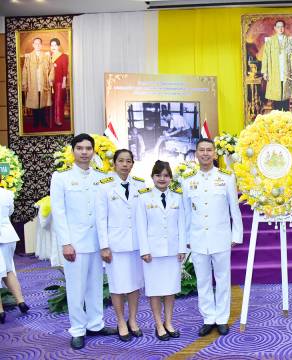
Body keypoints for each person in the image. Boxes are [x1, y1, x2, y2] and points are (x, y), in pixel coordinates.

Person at [50, 133, 117, 350]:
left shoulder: (101, 177)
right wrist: (66, 242)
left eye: (89, 148)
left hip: (97, 242)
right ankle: (78, 329)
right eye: (80, 148)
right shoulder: (61, 178)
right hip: (75, 244)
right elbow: (59, 213)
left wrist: (107, 242)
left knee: (96, 285)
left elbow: (105, 211)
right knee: (76, 287)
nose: (85, 152)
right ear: (73, 151)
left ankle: (95, 324)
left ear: (94, 151)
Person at [182, 139, 243, 337]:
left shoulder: (226, 177)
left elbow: (235, 208)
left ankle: (222, 319)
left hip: (221, 237)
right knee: (203, 281)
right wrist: (186, 239)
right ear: (196, 154)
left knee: (223, 279)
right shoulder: (188, 179)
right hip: (198, 238)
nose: (206, 154)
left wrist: (237, 234)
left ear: (215, 154)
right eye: (202, 150)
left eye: (209, 150)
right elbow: (186, 213)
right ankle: (209, 318)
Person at [96, 149, 145, 342]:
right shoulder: (104, 186)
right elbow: (101, 219)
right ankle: (120, 321)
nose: (125, 164)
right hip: (115, 246)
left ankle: (132, 320)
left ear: (133, 164)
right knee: (117, 286)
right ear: (114, 164)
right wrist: (104, 246)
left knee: (134, 284)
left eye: (129, 161)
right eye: (121, 161)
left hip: (136, 245)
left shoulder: (140, 185)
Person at [136, 160, 186, 341]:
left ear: (171, 178)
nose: (162, 179)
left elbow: (182, 225)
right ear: (152, 177)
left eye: (165, 175)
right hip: (152, 254)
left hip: (173, 252)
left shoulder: (177, 197)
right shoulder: (143, 197)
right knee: (155, 290)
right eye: (158, 175)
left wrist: (182, 248)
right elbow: (141, 226)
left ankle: (169, 322)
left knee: (170, 289)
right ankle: (159, 324)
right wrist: (144, 250)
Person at [0, 182, 30, 324]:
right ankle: (21, 302)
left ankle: (0, 312)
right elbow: (10, 212)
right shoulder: (7, 194)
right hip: (8, 235)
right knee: (8, 269)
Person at [262, 19, 292, 111]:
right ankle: (277, 118)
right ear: (275, 28)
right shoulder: (270, 42)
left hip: (286, 71)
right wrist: (265, 72)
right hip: (274, 72)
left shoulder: (290, 41)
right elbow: (265, 57)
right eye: (278, 27)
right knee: (276, 97)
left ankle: (286, 118)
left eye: (282, 27)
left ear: (284, 28)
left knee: (286, 95)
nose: (280, 28)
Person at [21, 37, 53, 128]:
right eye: (36, 43)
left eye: (39, 43)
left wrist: (50, 79)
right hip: (33, 84)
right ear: (33, 45)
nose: (37, 45)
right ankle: (35, 121)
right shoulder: (29, 57)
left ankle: (43, 121)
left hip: (43, 83)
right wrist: (25, 83)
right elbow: (25, 71)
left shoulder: (46, 56)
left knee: (42, 103)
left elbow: (51, 69)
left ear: (41, 45)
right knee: (34, 103)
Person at [49, 38, 68, 127]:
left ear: (58, 46)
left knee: (58, 101)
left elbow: (65, 70)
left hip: (59, 82)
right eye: (52, 45)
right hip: (50, 83)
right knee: (52, 101)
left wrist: (64, 81)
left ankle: (58, 119)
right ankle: (53, 119)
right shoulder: (49, 56)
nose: (53, 47)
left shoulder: (63, 56)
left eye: (55, 45)